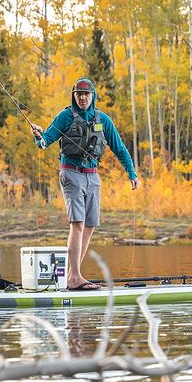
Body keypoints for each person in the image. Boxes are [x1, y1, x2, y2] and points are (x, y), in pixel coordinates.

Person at [31, 77, 140, 290]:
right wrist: (38, 137)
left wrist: (132, 174)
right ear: (74, 96)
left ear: (92, 96)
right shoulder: (65, 116)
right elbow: (46, 140)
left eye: (86, 94)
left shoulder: (103, 120)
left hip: (93, 176)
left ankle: (73, 276)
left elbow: (119, 148)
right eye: (78, 94)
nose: (82, 98)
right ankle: (75, 277)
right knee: (78, 224)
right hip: (71, 174)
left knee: (90, 225)